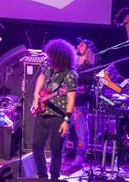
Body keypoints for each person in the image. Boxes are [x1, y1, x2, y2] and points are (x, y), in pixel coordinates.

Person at [32, 39, 77, 179]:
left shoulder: (69, 75)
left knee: (56, 149)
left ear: (59, 57)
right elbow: (40, 79)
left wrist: (66, 120)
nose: (49, 58)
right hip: (42, 113)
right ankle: (42, 176)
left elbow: (71, 99)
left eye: (52, 56)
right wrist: (35, 97)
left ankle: (54, 177)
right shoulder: (48, 68)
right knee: (36, 145)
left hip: (58, 116)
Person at [70, 38, 96, 167]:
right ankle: (59, 156)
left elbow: (83, 89)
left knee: (81, 134)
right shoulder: (72, 65)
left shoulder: (89, 68)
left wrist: (68, 90)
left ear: (88, 50)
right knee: (61, 131)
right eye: (79, 43)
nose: (78, 45)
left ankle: (80, 157)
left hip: (79, 105)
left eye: (82, 44)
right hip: (67, 104)